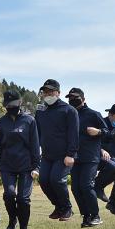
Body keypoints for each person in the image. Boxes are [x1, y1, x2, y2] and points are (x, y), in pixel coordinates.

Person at [0, 90, 40, 229]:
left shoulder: (29, 121)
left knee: (23, 199)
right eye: (7, 105)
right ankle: (12, 219)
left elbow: (35, 145)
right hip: (7, 165)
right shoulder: (1, 122)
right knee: (9, 194)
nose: (10, 107)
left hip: (26, 166)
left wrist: (36, 167)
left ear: (19, 103)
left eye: (12, 104)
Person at [35, 79, 79, 221]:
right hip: (47, 155)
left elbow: (74, 134)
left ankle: (67, 208)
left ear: (58, 93)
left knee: (57, 180)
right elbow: (37, 133)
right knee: (44, 181)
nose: (48, 94)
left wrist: (70, 154)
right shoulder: (41, 111)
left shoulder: (69, 111)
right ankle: (58, 206)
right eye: (45, 92)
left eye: (51, 91)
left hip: (64, 155)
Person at [66, 88, 108, 227]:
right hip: (74, 157)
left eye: (75, 97)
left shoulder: (94, 114)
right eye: (70, 98)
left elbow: (108, 133)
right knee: (76, 188)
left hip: (90, 156)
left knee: (86, 185)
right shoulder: (69, 115)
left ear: (83, 99)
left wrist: (98, 131)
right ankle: (86, 216)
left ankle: (96, 215)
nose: (72, 100)